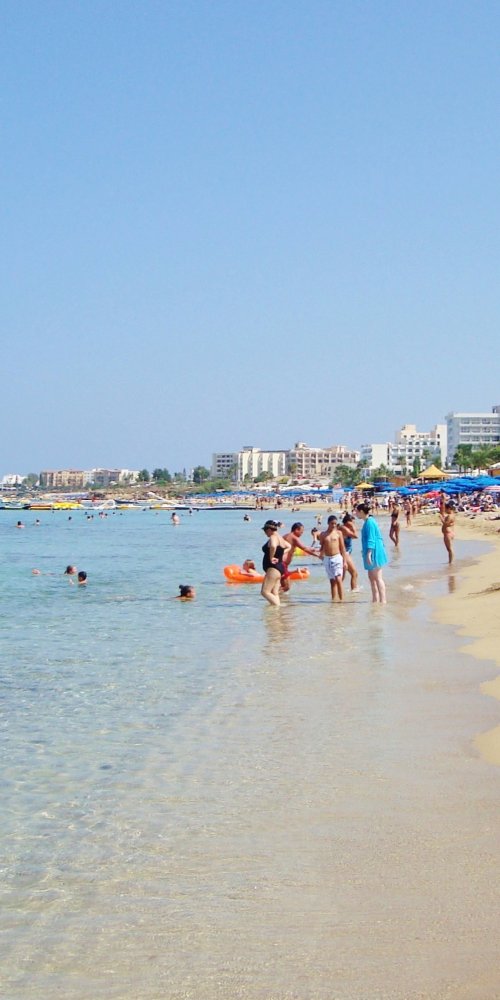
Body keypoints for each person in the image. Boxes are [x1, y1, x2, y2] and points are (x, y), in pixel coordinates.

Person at [355, 503, 388, 603]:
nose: (355, 513)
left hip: (375, 551)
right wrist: (364, 551)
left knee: (378, 577)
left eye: (357, 511)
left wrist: (369, 553)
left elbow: (371, 539)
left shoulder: (370, 522)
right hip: (370, 550)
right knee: (371, 577)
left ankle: (383, 600)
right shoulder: (367, 521)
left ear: (361, 512)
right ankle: (375, 599)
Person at [260, 519, 291, 607]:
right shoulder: (280, 538)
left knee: (265, 592)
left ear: (269, 529)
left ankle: (278, 607)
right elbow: (289, 546)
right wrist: (280, 555)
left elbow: (273, 546)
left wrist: (271, 558)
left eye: (265, 531)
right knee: (274, 593)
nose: (265, 533)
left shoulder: (273, 537)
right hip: (279, 567)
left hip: (273, 568)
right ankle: (276, 616)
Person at [319, 515, 347, 601]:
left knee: (338, 579)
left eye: (335, 523)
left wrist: (345, 561)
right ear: (328, 523)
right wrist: (321, 555)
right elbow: (322, 546)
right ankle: (334, 600)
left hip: (337, 557)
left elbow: (342, 548)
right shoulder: (323, 534)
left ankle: (342, 600)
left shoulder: (339, 533)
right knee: (332, 581)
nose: (334, 525)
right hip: (327, 558)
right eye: (332, 523)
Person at [339, 512, 360, 592]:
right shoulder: (343, 528)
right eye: (353, 522)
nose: (354, 524)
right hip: (344, 554)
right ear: (348, 522)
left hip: (345, 554)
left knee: (342, 576)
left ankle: (338, 591)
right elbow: (355, 536)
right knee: (354, 573)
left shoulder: (344, 528)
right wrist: (353, 527)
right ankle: (354, 592)